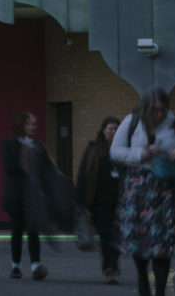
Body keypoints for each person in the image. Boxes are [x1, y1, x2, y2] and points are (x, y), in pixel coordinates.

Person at [113, 87, 175, 296]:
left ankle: (160, 291)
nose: (159, 114)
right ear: (146, 108)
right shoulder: (131, 121)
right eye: (155, 110)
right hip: (138, 188)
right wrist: (140, 153)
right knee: (139, 240)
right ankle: (143, 280)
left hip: (167, 191)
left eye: (163, 109)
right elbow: (115, 151)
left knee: (164, 244)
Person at [74, 116, 125, 284]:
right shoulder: (94, 150)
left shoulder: (124, 150)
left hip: (120, 200)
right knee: (105, 235)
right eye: (110, 129)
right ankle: (109, 268)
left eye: (116, 129)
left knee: (118, 236)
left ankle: (113, 264)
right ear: (103, 130)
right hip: (99, 201)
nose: (113, 132)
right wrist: (81, 200)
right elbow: (84, 174)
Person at [4, 111, 51, 280]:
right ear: (21, 125)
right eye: (30, 124)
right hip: (16, 195)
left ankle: (35, 265)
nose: (33, 127)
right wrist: (26, 154)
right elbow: (10, 167)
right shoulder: (10, 145)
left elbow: (46, 167)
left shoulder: (38, 145)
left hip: (33, 195)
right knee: (17, 231)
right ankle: (15, 266)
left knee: (33, 230)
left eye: (34, 124)